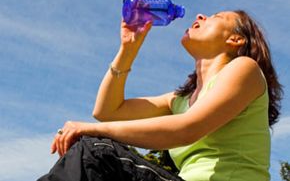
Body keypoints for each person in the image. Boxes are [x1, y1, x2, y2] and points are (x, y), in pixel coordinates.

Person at [38, 10, 283, 181]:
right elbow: (107, 111)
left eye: (215, 17)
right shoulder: (179, 99)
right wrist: (128, 49)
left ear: (235, 39)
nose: (200, 17)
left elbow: (188, 128)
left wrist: (89, 130)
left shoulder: (245, 68)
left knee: (96, 151)